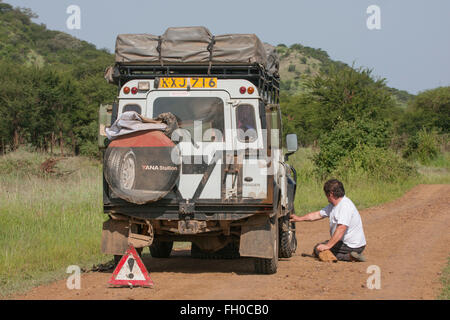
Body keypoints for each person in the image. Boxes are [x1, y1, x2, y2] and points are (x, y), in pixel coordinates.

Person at [290, 179, 367, 262]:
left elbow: (341, 228)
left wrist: (328, 246)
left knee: (319, 249)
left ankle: (349, 257)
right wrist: (299, 218)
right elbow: (317, 215)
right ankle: (350, 255)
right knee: (320, 247)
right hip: (348, 243)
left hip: (352, 245)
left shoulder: (345, 206)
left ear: (330, 194)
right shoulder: (334, 205)